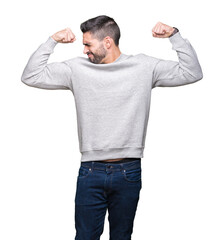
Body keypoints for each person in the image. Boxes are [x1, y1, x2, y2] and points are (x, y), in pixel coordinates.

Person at [21, 15, 203, 240]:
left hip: (129, 170)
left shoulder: (144, 66)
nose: (85, 50)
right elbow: (31, 76)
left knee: (121, 237)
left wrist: (174, 36)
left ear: (107, 42)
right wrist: (52, 40)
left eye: (88, 44)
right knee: (85, 237)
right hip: (90, 171)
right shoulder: (76, 68)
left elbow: (192, 72)